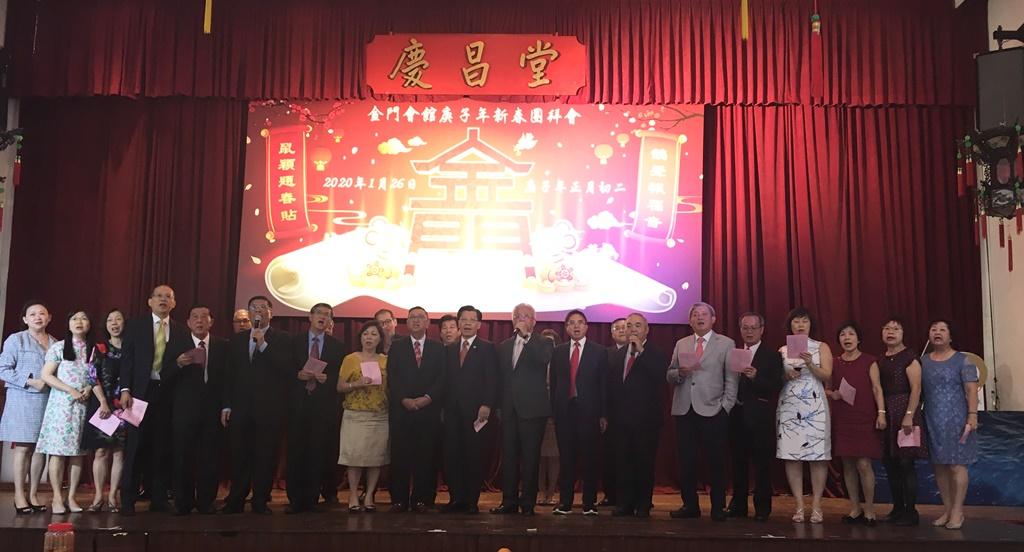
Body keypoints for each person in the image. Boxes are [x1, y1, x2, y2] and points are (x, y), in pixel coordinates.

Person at [119, 284, 189, 515]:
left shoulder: (180, 330)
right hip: (139, 393)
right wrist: (125, 389)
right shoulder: (136, 326)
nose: (163, 300)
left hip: (167, 393)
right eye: (158, 296)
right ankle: (127, 499)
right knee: (135, 447)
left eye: (168, 297)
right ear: (149, 301)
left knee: (162, 447)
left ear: (174, 303)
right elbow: (127, 359)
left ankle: (158, 498)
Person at [667, 302, 738, 522]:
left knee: (715, 461)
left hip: (713, 409)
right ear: (690, 321)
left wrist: (725, 407)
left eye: (704, 314)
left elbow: (732, 379)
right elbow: (669, 373)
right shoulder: (682, 343)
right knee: (686, 461)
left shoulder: (726, 343)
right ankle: (690, 505)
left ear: (713, 319)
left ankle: (718, 507)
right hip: (684, 409)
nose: (699, 318)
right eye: (695, 314)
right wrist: (679, 372)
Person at [221, 295, 292, 515]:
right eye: (254, 308)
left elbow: (286, 369)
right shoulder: (238, 340)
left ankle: (260, 500)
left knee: (265, 456)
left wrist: (263, 346)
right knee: (240, 454)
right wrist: (226, 405)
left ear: (271, 312)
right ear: (249, 313)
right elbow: (229, 375)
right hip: (241, 408)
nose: (258, 311)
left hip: (269, 410)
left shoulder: (283, 338)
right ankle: (236, 499)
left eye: (263, 307)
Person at [37, 310, 112, 514]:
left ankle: (71, 498)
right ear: (68, 324)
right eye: (74, 318)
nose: (79, 322)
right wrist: (69, 389)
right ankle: (57, 499)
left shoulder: (94, 350)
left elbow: (93, 377)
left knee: (78, 454)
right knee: (58, 454)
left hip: (82, 407)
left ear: (90, 324)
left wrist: (88, 389)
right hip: (61, 406)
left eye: (84, 318)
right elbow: (46, 375)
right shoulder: (59, 347)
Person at [162, 305, 229, 515]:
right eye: (195, 317)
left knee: (209, 457)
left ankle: (206, 502)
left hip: (212, 410)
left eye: (204, 317)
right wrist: (178, 364)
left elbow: (229, 379)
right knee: (183, 456)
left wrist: (227, 405)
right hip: (184, 410)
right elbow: (164, 375)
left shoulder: (222, 346)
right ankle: (183, 502)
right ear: (189, 323)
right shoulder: (176, 345)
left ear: (211, 321)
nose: (200, 321)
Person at [491, 303, 554, 517]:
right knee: (508, 457)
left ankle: (528, 503)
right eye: (518, 316)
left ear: (534, 322)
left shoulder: (543, 342)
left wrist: (527, 338)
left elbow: (543, 360)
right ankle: (508, 501)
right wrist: (499, 406)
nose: (522, 319)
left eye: (527, 316)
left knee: (530, 458)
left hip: (533, 410)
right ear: (512, 320)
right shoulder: (504, 345)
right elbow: (499, 378)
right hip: (508, 410)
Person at [285, 303, 344, 514]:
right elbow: (283, 369)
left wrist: (328, 378)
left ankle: (311, 498)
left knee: (317, 452)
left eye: (327, 315)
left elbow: (340, 375)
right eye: (319, 313)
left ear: (330, 321)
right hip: (297, 405)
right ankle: (294, 499)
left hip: (322, 407)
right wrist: (296, 374)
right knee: (295, 453)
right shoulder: (294, 342)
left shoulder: (337, 346)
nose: (323, 317)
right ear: (310, 317)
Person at [607, 313, 668, 518]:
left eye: (637, 325)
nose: (632, 329)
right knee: (622, 462)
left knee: (644, 463)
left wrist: (642, 353)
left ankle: (643, 504)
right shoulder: (617, 354)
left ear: (647, 329)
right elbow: (611, 388)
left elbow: (661, 379)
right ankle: (625, 503)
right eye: (629, 325)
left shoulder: (656, 353)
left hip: (646, 421)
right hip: (620, 420)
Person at [776, 307, 833, 524]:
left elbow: (827, 376)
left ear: (811, 325)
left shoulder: (821, 347)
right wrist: (785, 374)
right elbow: (776, 379)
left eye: (805, 321)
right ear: (790, 325)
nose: (800, 325)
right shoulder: (782, 350)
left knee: (818, 456)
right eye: (796, 322)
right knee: (792, 456)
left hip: (814, 404)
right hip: (789, 405)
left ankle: (817, 505)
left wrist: (810, 363)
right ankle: (799, 505)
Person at [550, 310, 608, 515]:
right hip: (564, 412)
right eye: (571, 323)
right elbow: (555, 383)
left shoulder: (599, 351)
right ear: (566, 328)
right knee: (567, 458)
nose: (576, 326)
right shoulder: (558, 351)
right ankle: (565, 502)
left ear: (587, 327)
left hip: (589, 412)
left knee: (589, 458)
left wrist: (603, 414)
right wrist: (553, 410)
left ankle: (589, 503)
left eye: (580, 323)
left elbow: (603, 385)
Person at [921, 320, 978, 530]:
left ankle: (957, 511)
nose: (937, 333)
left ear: (951, 336)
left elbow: (971, 390)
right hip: (932, 419)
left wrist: (972, 415)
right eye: (933, 329)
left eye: (943, 329)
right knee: (939, 466)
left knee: (956, 465)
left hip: (958, 420)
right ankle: (947, 508)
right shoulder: (923, 362)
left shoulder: (963, 361)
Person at [0, 300, 56, 514]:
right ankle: (19, 495)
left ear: (49, 317)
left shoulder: (55, 343)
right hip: (23, 399)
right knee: (23, 448)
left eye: (42, 313)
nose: (38, 317)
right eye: (32, 314)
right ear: (25, 319)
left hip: (47, 401)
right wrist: (30, 380)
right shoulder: (16, 340)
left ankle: (33, 493)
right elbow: (2, 369)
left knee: (40, 449)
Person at [387, 307, 446, 513]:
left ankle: (423, 499)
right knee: (400, 456)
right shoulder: (397, 347)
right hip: (402, 411)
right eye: (412, 317)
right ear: (407, 322)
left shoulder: (438, 349)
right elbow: (392, 377)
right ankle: (399, 499)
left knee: (426, 457)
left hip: (428, 412)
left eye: (421, 317)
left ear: (428, 322)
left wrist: (426, 398)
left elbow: (442, 379)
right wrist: (404, 399)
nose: (416, 320)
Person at [726, 312, 783, 522]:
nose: (749, 331)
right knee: (737, 462)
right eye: (745, 328)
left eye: (753, 328)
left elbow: (776, 385)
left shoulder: (772, 355)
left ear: (762, 330)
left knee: (761, 464)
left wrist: (756, 376)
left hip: (759, 417)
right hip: (736, 415)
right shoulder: (735, 353)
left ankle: (762, 508)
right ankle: (738, 505)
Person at [442, 305, 498, 514]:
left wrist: (487, 404)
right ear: (458, 323)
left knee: (473, 456)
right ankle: (456, 498)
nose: (466, 323)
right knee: (453, 455)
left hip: (477, 413)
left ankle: (471, 500)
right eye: (463, 319)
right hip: (452, 412)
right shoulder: (448, 349)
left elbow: (492, 379)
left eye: (471, 320)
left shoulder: (487, 348)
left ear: (479, 325)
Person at [828, 322, 885, 526]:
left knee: (864, 463)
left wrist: (881, 413)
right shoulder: (834, 362)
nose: (847, 338)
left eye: (851, 334)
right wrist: (831, 393)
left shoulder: (870, 361)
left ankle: (869, 508)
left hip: (864, 416)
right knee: (848, 464)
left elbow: (877, 388)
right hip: (843, 417)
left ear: (858, 338)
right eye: (843, 334)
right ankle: (855, 507)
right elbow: (826, 387)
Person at [877, 317, 927, 526]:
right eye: (887, 328)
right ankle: (897, 508)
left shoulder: (909, 356)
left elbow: (916, 388)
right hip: (887, 412)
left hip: (906, 411)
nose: (891, 332)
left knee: (906, 463)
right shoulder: (879, 359)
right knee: (891, 464)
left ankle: (911, 511)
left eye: (896, 328)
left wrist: (909, 414)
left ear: (903, 333)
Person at [337, 320, 389, 513]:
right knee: (355, 457)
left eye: (374, 334)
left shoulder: (385, 360)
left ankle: (368, 495)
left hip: (379, 414)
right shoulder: (350, 359)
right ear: (360, 337)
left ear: (380, 339)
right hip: (355, 414)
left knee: (375, 458)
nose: (369, 337)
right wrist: (357, 383)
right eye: (366, 334)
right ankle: (352, 494)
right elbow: (340, 387)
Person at [81, 309, 127, 513]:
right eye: (110, 319)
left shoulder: (132, 347)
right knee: (101, 451)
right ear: (105, 324)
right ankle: (99, 495)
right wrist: (103, 402)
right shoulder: (99, 348)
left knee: (119, 452)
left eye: (118, 319)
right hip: (103, 404)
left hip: (125, 406)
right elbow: (92, 377)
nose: (114, 323)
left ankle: (113, 496)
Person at [599, 316, 628, 508]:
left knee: (631, 456)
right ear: (611, 333)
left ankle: (631, 495)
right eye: (617, 328)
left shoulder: (639, 352)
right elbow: (600, 385)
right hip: (610, 414)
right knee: (609, 456)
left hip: (634, 414)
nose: (622, 331)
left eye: (625, 327)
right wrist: (603, 413)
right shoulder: (604, 354)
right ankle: (610, 494)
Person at [538, 328, 560, 506]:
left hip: (554, 415)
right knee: (537, 456)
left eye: (551, 342)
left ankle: (551, 492)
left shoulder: (561, 362)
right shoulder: (535, 361)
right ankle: (540, 491)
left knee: (553, 456)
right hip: (534, 414)